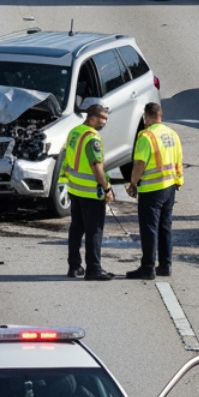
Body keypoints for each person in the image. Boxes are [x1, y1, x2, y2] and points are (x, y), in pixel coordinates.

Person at [124, 102, 184, 279]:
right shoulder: (172, 134)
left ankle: (148, 267)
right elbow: (178, 159)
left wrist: (133, 183)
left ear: (146, 116)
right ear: (160, 115)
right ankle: (165, 265)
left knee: (149, 229)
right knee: (165, 227)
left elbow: (139, 163)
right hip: (170, 187)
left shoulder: (146, 136)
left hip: (152, 189)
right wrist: (178, 181)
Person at [58, 103, 114, 281]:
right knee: (94, 231)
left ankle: (74, 266)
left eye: (106, 118)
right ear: (92, 117)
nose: (104, 122)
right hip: (90, 192)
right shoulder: (92, 138)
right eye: (102, 118)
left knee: (76, 228)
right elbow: (96, 166)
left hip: (75, 189)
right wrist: (107, 187)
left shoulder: (75, 132)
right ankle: (94, 269)